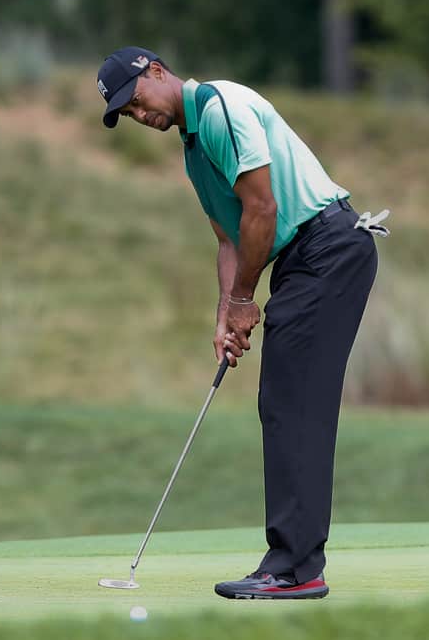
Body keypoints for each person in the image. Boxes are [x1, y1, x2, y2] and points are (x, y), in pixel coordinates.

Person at [96, 47, 389, 600]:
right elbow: (230, 236)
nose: (139, 116)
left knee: (292, 403)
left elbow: (262, 210)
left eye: (135, 102)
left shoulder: (218, 107)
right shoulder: (193, 149)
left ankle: (296, 569)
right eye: (128, 115)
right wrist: (225, 311)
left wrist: (244, 299)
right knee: (283, 401)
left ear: (156, 72)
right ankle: (293, 563)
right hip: (306, 261)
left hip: (328, 248)